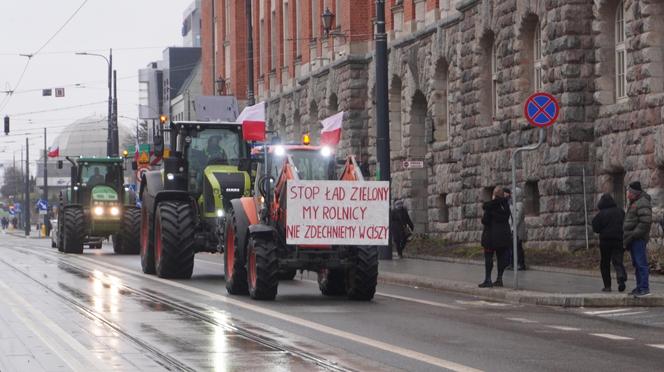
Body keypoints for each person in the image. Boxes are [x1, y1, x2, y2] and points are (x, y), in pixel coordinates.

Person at [591, 193, 627, 292]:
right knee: (618, 261)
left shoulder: (601, 214)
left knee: (605, 263)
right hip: (619, 240)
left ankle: (607, 286)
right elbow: (626, 224)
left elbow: (596, 228)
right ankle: (621, 278)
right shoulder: (620, 211)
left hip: (605, 242)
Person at [623, 181, 652, 297]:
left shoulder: (642, 202)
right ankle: (639, 287)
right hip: (632, 238)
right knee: (636, 263)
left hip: (637, 238)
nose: (627, 194)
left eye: (629, 191)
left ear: (634, 193)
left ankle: (644, 287)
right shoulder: (634, 202)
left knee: (641, 263)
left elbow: (645, 222)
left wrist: (634, 234)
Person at [479, 186, 512, 288]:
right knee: (500, 257)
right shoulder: (506, 206)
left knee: (488, 257)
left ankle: (488, 279)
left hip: (491, 236)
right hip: (503, 236)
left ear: (494, 195)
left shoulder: (490, 206)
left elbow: (485, 220)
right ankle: (499, 278)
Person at [503, 188, 527, 271]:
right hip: (512, 229)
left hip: (517, 230)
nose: (511, 195)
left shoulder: (519, 204)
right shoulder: (513, 204)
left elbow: (517, 218)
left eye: (513, 193)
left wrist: (513, 228)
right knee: (512, 247)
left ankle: (521, 264)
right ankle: (513, 263)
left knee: (518, 247)